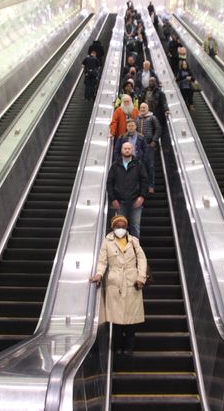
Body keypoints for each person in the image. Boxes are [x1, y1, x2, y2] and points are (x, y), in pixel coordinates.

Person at [90, 214, 147, 356]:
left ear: (126, 227)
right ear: (112, 227)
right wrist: (99, 274)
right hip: (114, 284)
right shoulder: (107, 242)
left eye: (123, 226)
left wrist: (141, 277)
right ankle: (117, 347)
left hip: (132, 283)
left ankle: (129, 348)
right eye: (117, 226)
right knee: (115, 321)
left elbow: (142, 259)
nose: (120, 228)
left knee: (131, 320)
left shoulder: (134, 241)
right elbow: (103, 261)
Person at [107, 142, 148, 238]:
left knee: (135, 227)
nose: (127, 150)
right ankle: (121, 250)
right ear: (121, 150)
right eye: (125, 148)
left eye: (129, 148)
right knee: (120, 228)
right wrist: (113, 199)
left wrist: (142, 197)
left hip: (136, 201)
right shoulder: (115, 165)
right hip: (120, 202)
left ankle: (134, 250)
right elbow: (109, 183)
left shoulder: (139, 164)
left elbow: (144, 181)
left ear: (132, 150)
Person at [135, 103, 161, 193]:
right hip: (139, 146)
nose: (142, 109)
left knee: (150, 165)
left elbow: (158, 129)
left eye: (144, 107)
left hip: (149, 145)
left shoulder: (152, 117)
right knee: (139, 166)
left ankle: (151, 185)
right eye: (141, 107)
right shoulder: (137, 118)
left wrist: (154, 141)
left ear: (147, 108)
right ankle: (141, 186)